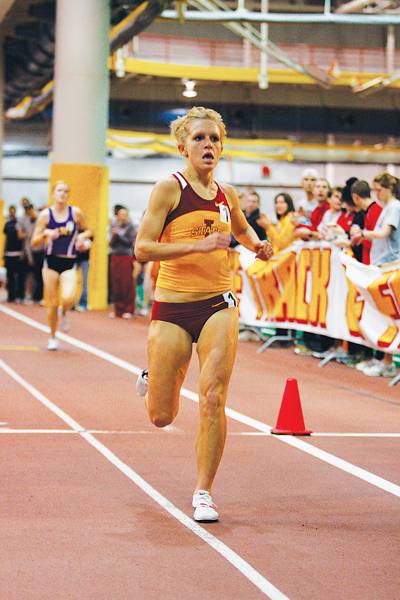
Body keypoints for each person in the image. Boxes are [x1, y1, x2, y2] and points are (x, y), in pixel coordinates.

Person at [134, 106, 273, 522]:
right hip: (173, 308)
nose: (208, 145)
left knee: (213, 397)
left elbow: (242, 230)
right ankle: (154, 376)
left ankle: (204, 492)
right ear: (183, 147)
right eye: (199, 138)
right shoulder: (168, 189)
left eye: (214, 139)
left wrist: (257, 246)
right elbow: (143, 248)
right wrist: (196, 246)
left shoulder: (228, 195)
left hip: (218, 303)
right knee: (162, 415)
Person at [31, 180, 91, 350]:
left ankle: (64, 311)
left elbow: (88, 230)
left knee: (68, 297)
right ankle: (52, 336)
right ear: (53, 193)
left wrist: (81, 237)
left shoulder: (75, 213)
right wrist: (46, 234)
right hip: (50, 262)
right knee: (52, 303)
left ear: (68, 194)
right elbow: (33, 242)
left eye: (66, 191)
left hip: (69, 261)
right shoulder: (45, 215)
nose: (62, 193)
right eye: (59, 190)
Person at [352, 173, 399, 377]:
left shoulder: (394, 207)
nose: (376, 194)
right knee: (382, 316)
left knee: (389, 317)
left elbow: (384, 234)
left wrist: (363, 234)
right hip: (382, 264)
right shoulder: (387, 208)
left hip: (391, 265)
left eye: (379, 189)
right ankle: (383, 358)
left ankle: (387, 361)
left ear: (389, 188)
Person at [109, 206, 137, 318]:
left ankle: (129, 309)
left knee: (127, 283)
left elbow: (129, 242)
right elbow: (111, 244)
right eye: (121, 214)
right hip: (115, 256)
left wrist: (118, 235)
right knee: (116, 283)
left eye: (125, 214)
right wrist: (114, 236)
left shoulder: (130, 227)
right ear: (118, 215)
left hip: (126, 256)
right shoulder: (113, 226)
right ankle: (118, 310)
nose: (122, 216)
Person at [3, 205, 25, 303]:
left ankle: (20, 296)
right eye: (10, 211)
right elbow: (5, 239)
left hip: (18, 253)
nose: (12, 213)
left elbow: (23, 238)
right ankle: (11, 296)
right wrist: (4, 251)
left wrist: (23, 251)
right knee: (10, 276)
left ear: (15, 212)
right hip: (9, 254)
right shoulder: (7, 224)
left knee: (20, 276)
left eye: (13, 211)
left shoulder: (19, 223)